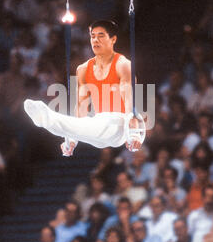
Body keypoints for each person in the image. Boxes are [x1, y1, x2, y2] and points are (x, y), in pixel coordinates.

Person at [24, 20, 144, 155]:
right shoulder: (83, 69)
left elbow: (130, 100)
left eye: (101, 36)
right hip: (98, 125)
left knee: (95, 123)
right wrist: (72, 141)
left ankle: (48, 118)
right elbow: (81, 106)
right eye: (92, 36)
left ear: (113, 39)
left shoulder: (123, 64)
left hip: (120, 126)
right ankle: (48, 121)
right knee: (87, 123)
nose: (95, 40)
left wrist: (134, 133)